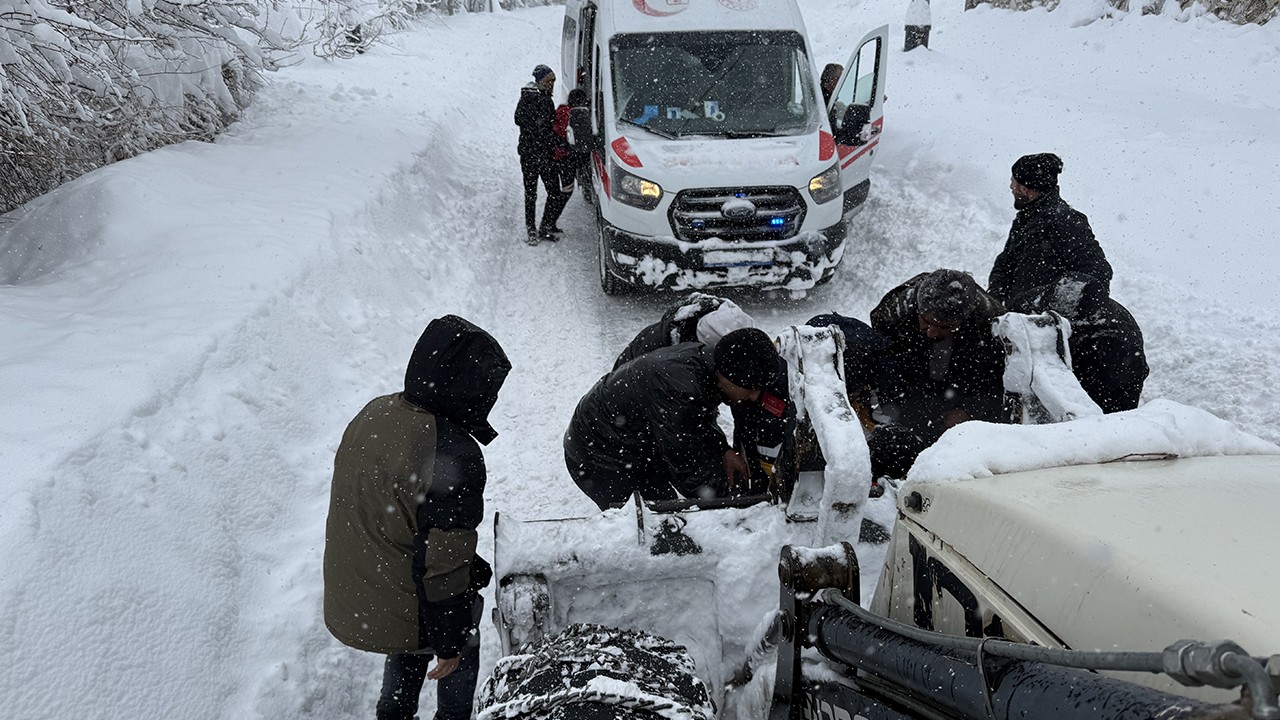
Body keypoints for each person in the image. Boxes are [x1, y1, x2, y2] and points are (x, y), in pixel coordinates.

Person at [323, 315, 511, 720]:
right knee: (461, 629)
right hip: (397, 607)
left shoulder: (377, 410)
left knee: (414, 626)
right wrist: (450, 643)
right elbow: (443, 566)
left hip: (355, 595)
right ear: (468, 384)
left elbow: (399, 515)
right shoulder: (451, 452)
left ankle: (394, 713)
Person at [565, 328, 784, 510]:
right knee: (654, 522)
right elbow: (688, 468)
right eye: (751, 387)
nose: (754, 396)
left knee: (669, 512)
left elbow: (696, 422)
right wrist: (732, 508)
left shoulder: (704, 364)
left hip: (634, 442)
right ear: (728, 375)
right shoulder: (680, 387)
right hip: (599, 456)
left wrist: (722, 450)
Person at [613, 295, 789, 487]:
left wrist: (731, 452)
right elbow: (684, 430)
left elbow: (733, 412)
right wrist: (719, 491)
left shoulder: (733, 335)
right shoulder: (669, 363)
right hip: (627, 429)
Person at [868, 269, 1008, 478]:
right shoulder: (893, 311)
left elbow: (998, 382)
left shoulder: (992, 323)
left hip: (965, 381)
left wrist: (971, 410)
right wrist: (896, 405)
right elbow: (884, 362)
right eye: (926, 321)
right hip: (914, 374)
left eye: (943, 326)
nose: (932, 331)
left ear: (965, 317)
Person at [1007, 272, 1148, 413]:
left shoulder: (1120, 340)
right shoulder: (1028, 304)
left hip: (1108, 378)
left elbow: (1121, 404)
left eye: (1069, 329)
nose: (1063, 334)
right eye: (1056, 324)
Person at [988, 153, 1113, 304]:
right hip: (1018, 321)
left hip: (1046, 323)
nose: (1011, 187)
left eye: (1013, 182)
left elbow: (1098, 273)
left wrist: (1051, 309)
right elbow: (1005, 264)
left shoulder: (1065, 221)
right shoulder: (1025, 219)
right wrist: (996, 299)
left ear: (1025, 189)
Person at [514, 64, 570, 246]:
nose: (552, 84)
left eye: (553, 81)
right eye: (548, 81)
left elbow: (529, 122)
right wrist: (558, 141)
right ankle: (536, 230)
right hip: (537, 154)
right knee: (541, 192)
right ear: (540, 81)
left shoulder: (541, 98)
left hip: (537, 154)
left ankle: (543, 227)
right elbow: (526, 122)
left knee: (546, 191)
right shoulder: (533, 98)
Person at [550, 88, 591, 213]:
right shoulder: (570, 115)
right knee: (566, 190)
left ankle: (548, 223)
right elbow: (570, 138)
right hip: (563, 157)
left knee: (562, 191)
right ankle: (547, 224)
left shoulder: (563, 111)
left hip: (559, 156)